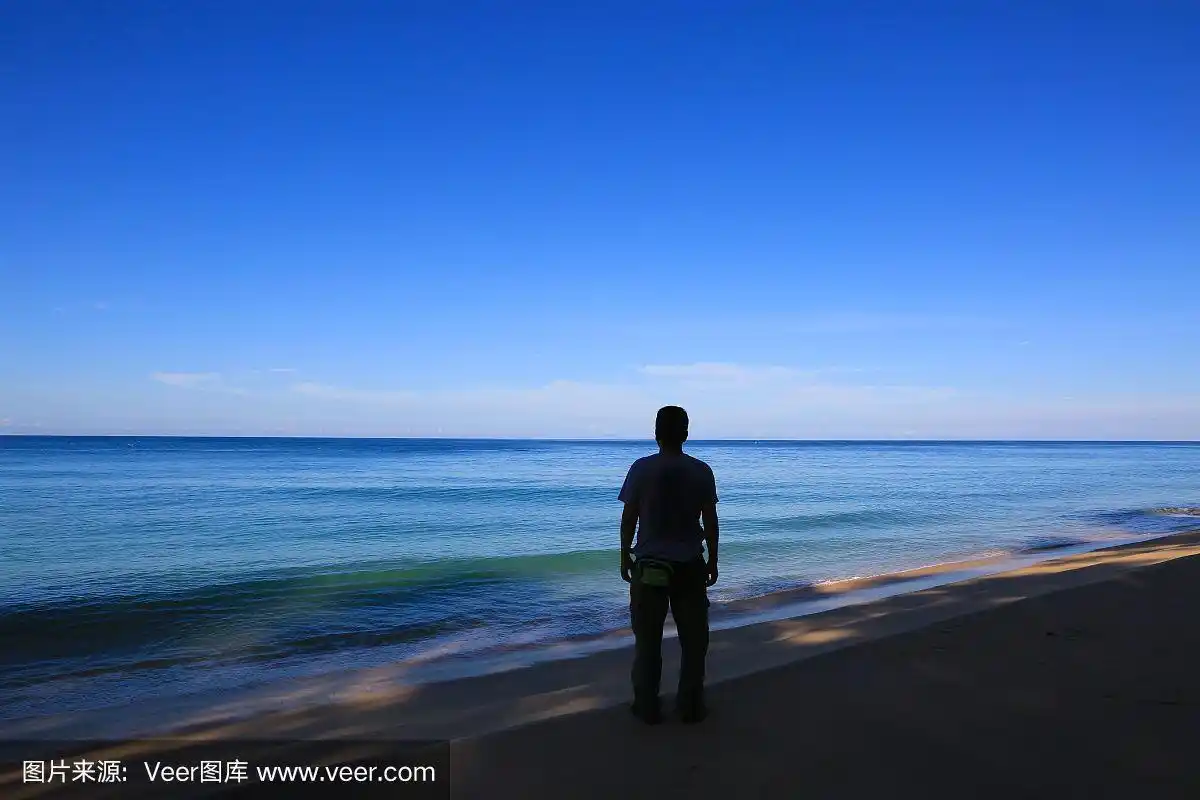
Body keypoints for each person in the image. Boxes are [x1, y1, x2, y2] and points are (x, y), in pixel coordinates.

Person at [618, 405, 719, 724]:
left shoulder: (641, 468)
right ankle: (690, 706)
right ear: (686, 433)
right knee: (694, 641)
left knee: (647, 641)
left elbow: (630, 516)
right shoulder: (701, 470)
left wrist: (624, 553)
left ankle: (647, 706)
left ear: (656, 432)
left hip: (649, 568)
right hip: (689, 565)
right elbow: (710, 519)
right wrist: (713, 557)